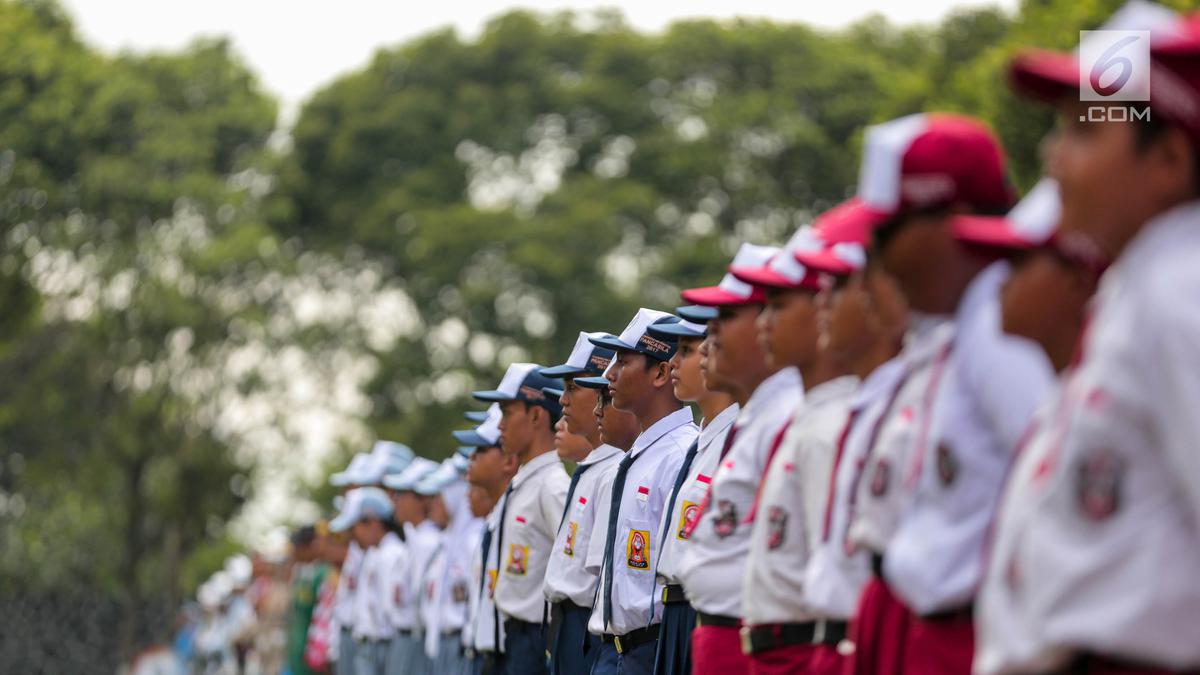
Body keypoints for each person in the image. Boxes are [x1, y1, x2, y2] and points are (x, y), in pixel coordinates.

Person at [976, 5, 1200, 672]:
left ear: (1168, 159)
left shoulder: (1181, 289)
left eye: (1083, 130)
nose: (1052, 157)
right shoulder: (1140, 284)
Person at [735, 201, 885, 674]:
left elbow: (840, 570)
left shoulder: (830, 424)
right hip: (780, 644)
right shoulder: (806, 418)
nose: (764, 322)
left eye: (779, 306)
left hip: (807, 645)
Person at [674, 242, 803, 675]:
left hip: (760, 643)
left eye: (727, 317)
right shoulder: (755, 418)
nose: (711, 334)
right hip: (724, 636)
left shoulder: (789, 417)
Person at [586, 309, 700, 675]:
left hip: (654, 647)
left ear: (661, 373)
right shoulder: (638, 455)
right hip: (619, 650)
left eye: (623, 361)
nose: (610, 374)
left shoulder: (681, 453)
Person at [645, 310, 739, 675]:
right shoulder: (700, 442)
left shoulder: (736, 439)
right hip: (674, 613)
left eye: (685, 350)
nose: (672, 363)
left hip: (704, 609)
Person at [472, 363, 570, 675]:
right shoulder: (523, 483)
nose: (500, 424)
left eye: (507, 412)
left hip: (534, 639)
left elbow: (572, 569)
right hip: (510, 636)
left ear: (536, 415)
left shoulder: (552, 486)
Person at [539, 333, 623, 675]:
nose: (563, 400)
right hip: (565, 622)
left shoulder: (613, 468)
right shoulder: (590, 467)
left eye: (573, 387)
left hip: (587, 623)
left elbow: (600, 577)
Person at [457, 405, 520, 675]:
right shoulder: (494, 519)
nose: (471, 457)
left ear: (508, 460)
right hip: (486, 648)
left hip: (510, 651)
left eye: (481, 449)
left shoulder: (534, 502)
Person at [328, 487, 407, 675]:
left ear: (373, 522)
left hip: (382, 646)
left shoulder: (392, 555)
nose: (351, 536)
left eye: (354, 527)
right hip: (368, 644)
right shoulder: (373, 553)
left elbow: (390, 612)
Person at [415, 458, 480, 675]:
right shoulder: (447, 541)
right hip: (442, 642)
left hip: (459, 642)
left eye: (438, 496)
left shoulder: (473, 541)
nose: (432, 504)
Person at [381, 457, 441, 675]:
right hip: (404, 638)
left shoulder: (430, 541)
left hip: (417, 640)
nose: (394, 501)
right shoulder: (414, 538)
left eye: (401, 494)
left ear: (423, 498)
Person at [288, 526, 330, 675]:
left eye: (297, 547)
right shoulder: (301, 572)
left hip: (314, 644)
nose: (294, 552)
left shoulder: (323, 573)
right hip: (299, 643)